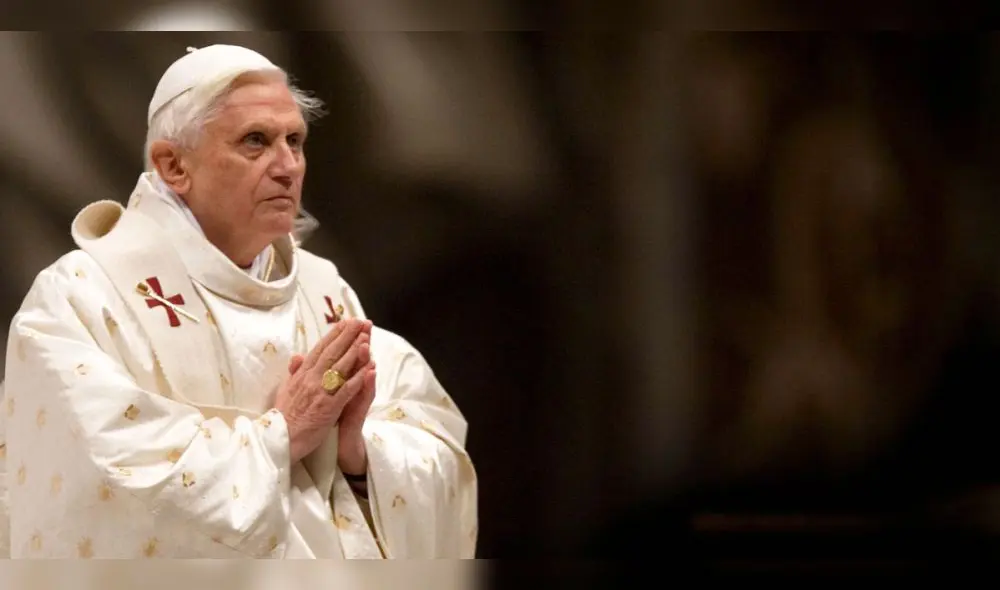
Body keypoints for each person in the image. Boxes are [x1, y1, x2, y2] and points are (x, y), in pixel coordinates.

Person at [0, 43, 477, 559]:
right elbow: (96, 477)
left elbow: (437, 446)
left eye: (295, 141)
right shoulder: (84, 296)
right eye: (256, 141)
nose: (288, 166)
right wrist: (284, 436)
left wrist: (360, 455)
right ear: (173, 166)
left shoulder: (326, 295)